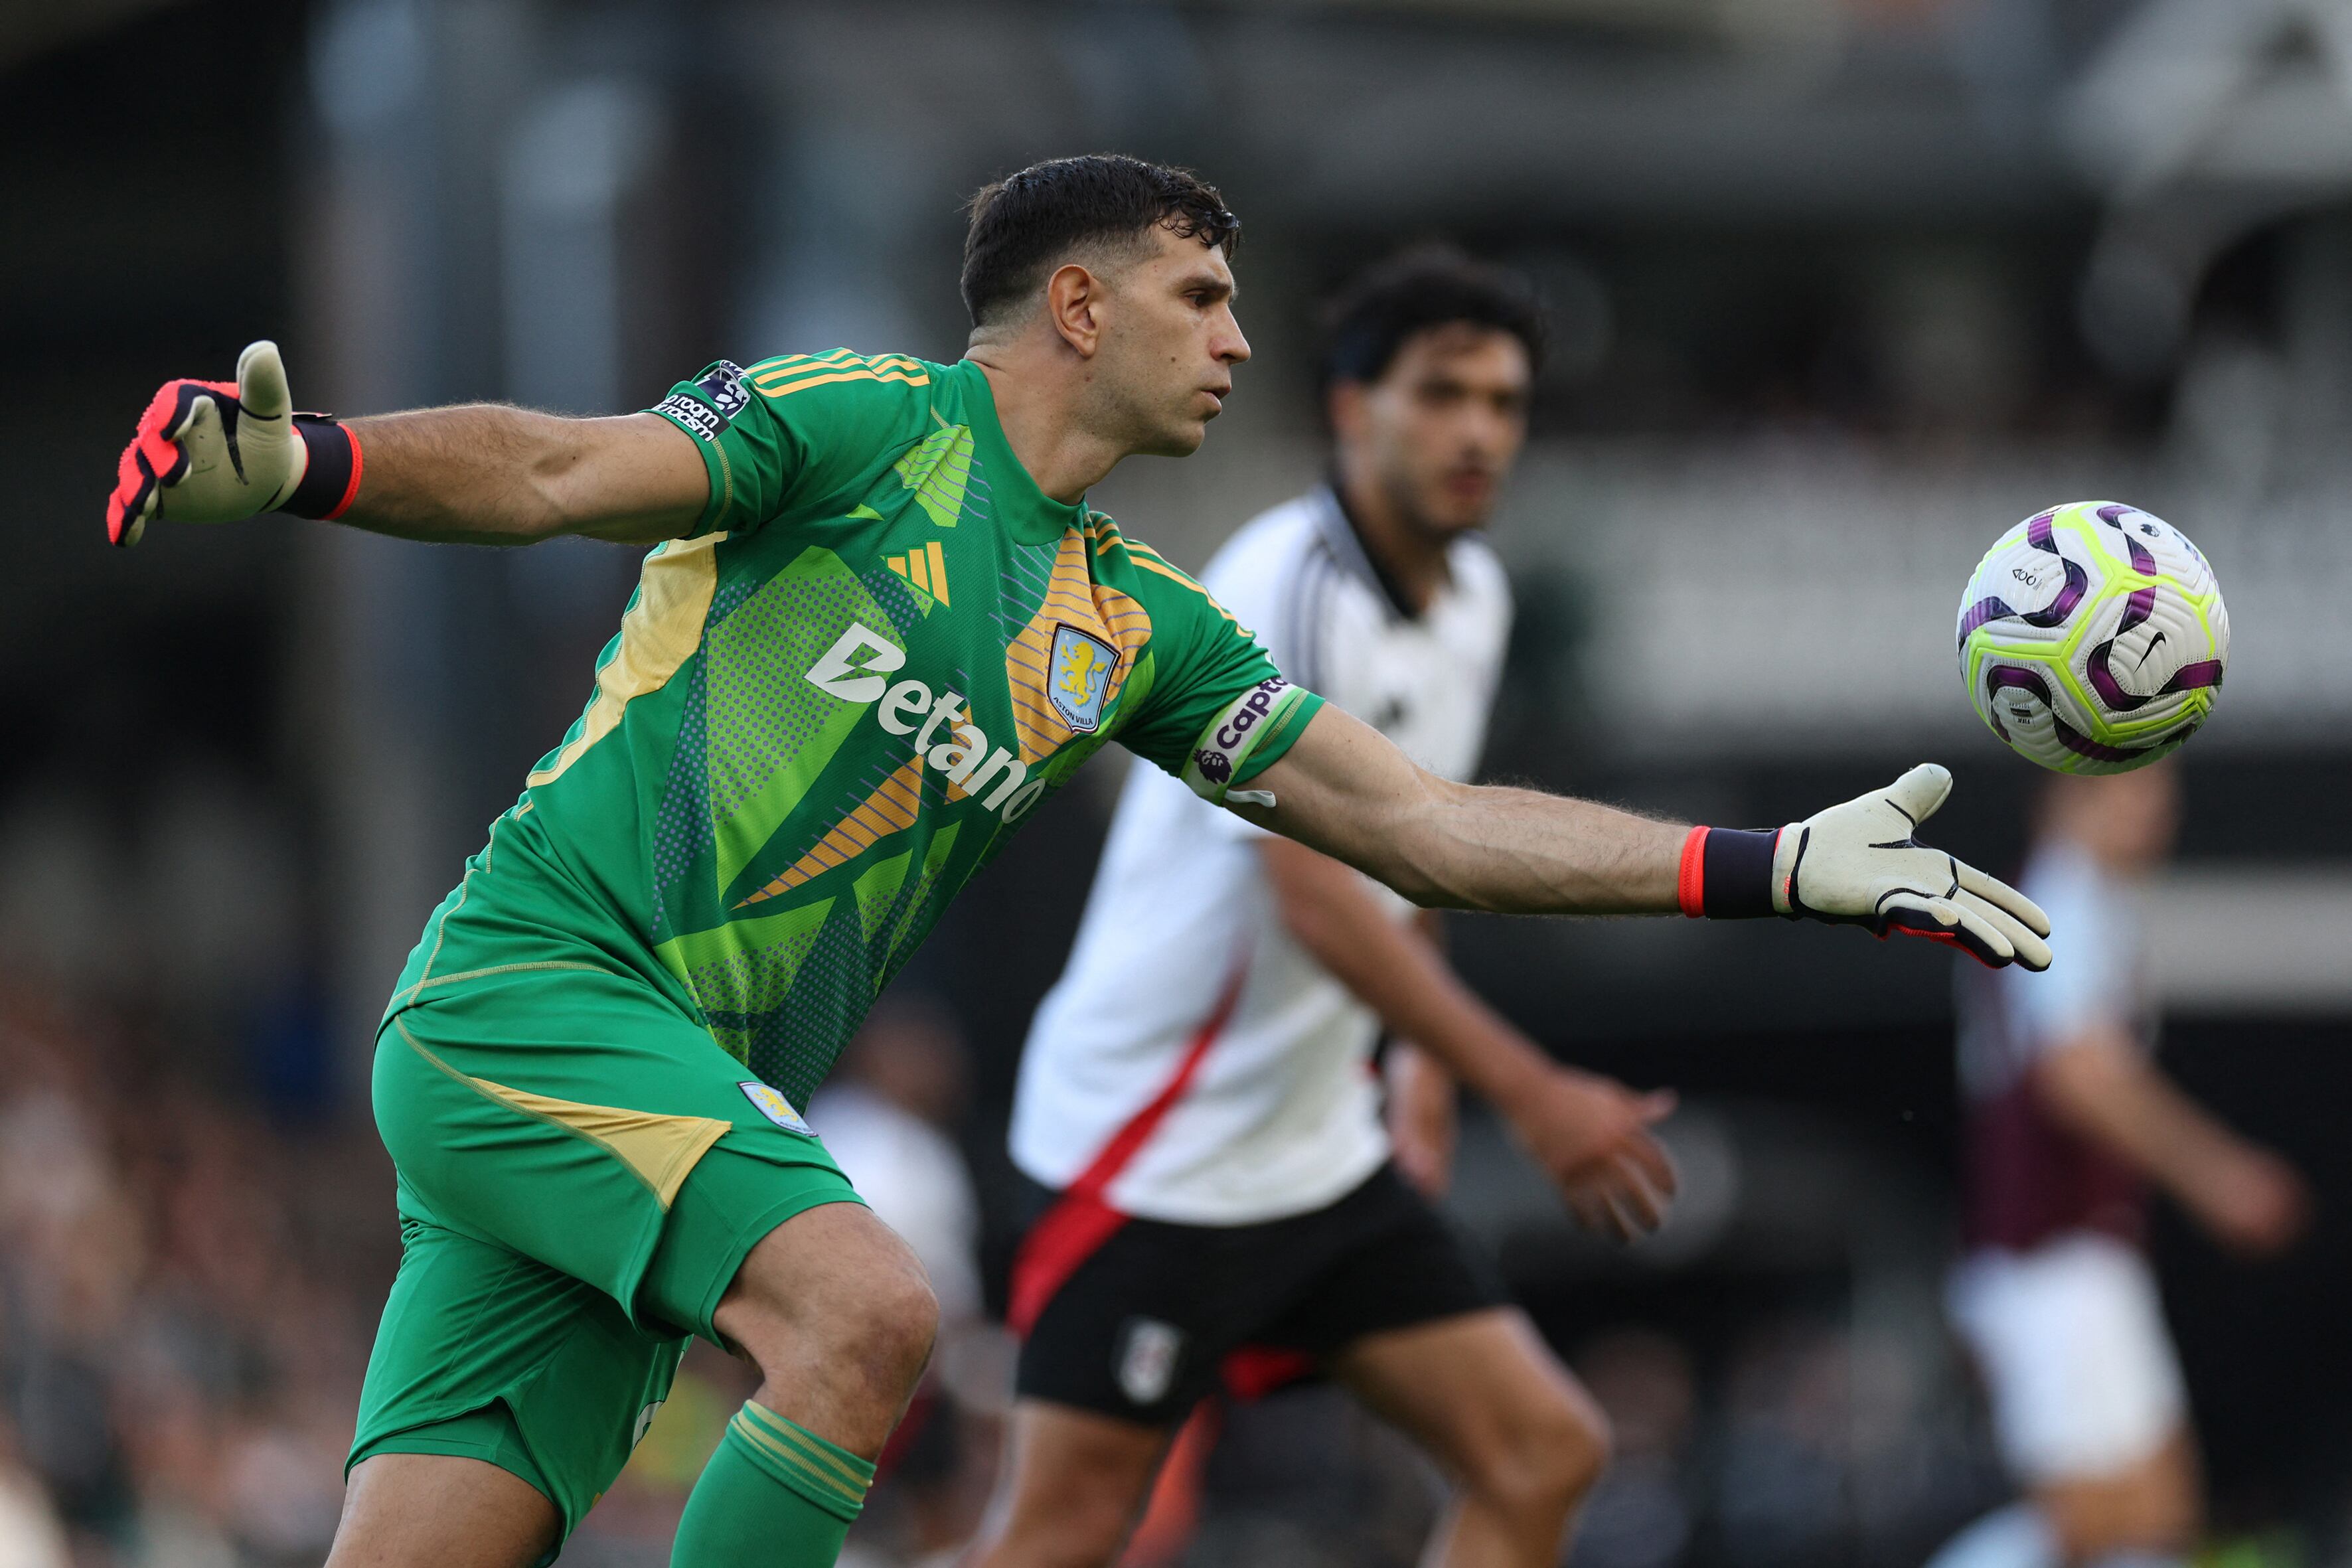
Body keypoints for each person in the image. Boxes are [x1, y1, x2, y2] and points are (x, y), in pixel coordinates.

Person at [104, 153, 2051, 1568]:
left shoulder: (1142, 626)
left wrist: (1771, 862)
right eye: (1202, 295)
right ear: (1080, 305)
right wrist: (311, 463)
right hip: (533, 994)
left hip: (669, 1096)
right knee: (868, 1311)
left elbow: (1422, 831)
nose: (1236, 337)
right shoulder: (860, 425)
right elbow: (551, 471)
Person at [978, 248, 1675, 1568]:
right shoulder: (1280, 583)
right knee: (1058, 1537)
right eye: (1440, 394)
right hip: (1153, 1147)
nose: (1477, 431)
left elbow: (1413, 858)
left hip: (1313, 1152)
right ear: (1354, 411)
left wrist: (1411, 1066)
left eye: (1504, 401)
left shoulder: (1473, 600)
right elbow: (1312, 896)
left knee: (1543, 1451)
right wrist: (1526, 1088)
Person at [1928, 761, 2306, 1568]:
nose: (2161, 812)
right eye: (2139, 789)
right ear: (2068, 796)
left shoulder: (2064, 901)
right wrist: (2218, 1173)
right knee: (2102, 1525)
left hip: (2070, 1256)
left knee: (2150, 1521)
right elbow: (2078, 1074)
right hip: (2050, 1255)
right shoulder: (2063, 904)